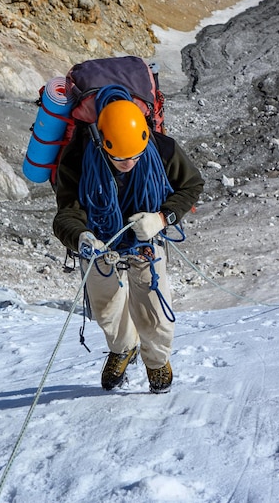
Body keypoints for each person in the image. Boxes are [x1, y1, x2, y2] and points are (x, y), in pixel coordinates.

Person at [53, 89, 204, 393]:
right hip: (98, 243)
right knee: (105, 308)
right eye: (120, 158)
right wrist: (82, 237)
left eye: (136, 155)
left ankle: (157, 361)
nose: (130, 163)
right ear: (101, 141)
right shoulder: (79, 157)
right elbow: (66, 214)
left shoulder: (162, 149)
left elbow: (191, 186)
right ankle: (123, 349)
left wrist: (162, 218)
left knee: (155, 311)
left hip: (145, 244)